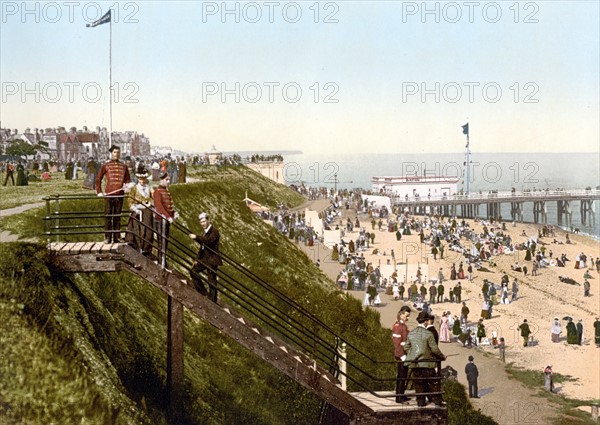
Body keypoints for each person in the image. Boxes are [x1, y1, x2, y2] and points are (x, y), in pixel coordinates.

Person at [404, 311, 446, 407]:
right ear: (426, 322)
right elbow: (435, 349)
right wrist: (442, 356)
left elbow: (406, 347)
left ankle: (420, 402)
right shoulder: (428, 334)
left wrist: (414, 353)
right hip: (427, 363)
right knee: (433, 382)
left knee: (418, 383)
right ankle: (437, 401)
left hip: (415, 364)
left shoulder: (411, 333)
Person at [96, 145, 132, 243]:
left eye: (118, 152)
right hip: (109, 194)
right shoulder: (106, 165)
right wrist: (99, 192)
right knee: (108, 216)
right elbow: (98, 179)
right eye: (115, 152)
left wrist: (127, 186)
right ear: (111, 153)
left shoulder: (124, 166)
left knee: (117, 216)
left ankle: (117, 237)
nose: (116, 154)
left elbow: (128, 180)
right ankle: (107, 237)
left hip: (120, 195)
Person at [189, 212, 223, 303]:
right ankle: (203, 292)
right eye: (201, 222)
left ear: (208, 220)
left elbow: (209, 242)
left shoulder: (214, 232)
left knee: (211, 280)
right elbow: (202, 248)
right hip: (205, 259)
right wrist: (197, 259)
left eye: (204, 221)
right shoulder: (205, 232)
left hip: (212, 259)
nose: (203, 224)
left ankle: (212, 299)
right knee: (193, 271)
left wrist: (196, 237)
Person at [125, 165, 154, 256]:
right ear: (137, 178)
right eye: (140, 179)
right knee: (135, 225)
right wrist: (135, 208)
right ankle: (134, 245)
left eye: (144, 179)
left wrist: (151, 203)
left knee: (148, 227)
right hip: (137, 209)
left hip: (147, 209)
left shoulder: (149, 187)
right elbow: (130, 201)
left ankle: (146, 247)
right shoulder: (134, 189)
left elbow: (154, 198)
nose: (142, 181)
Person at [153, 172, 178, 268]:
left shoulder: (166, 191)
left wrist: (173, 213)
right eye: (166, 180)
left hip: (166, 220)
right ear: (161, 180)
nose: (168, 181)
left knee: (165, 241)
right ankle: (161, 262)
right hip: (160, 220)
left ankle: (163, 260)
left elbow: (168, 206)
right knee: (161, 241)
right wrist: (168, 216)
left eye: (169, 179)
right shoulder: (157, 191)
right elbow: (159, 207)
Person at [392, 306, 411, 403]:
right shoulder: (397, 326)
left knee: (404, 375)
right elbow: (396, 343)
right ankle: (399, 397)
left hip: (404, 353)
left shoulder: (403, 326)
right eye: (406, 316)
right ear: (401, 314)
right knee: (401, 375)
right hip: (401, 354)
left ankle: (401, 395)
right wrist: (401, 355)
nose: (407, 318)